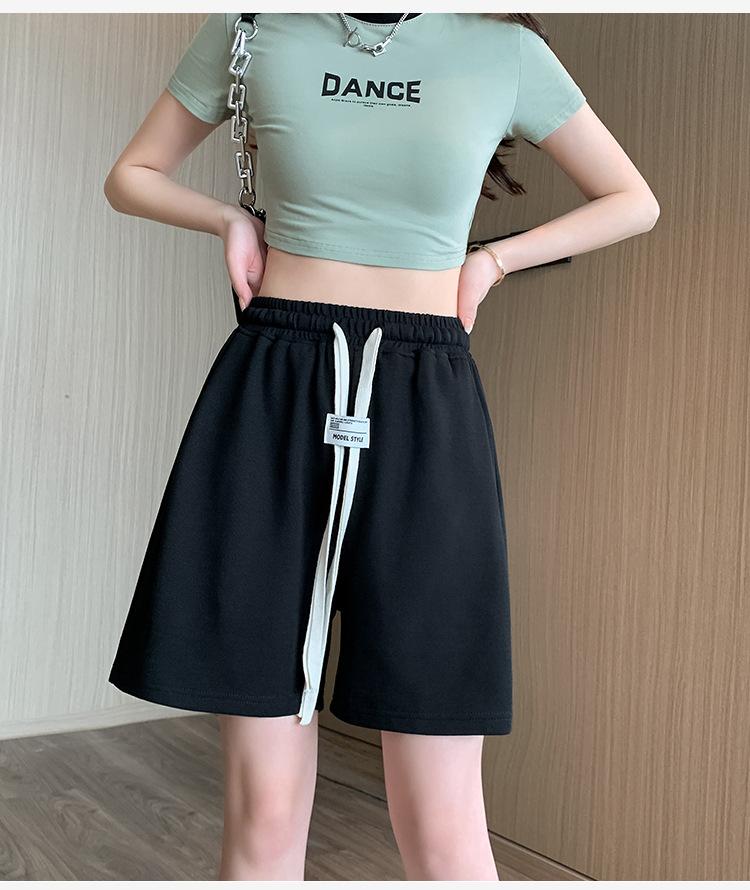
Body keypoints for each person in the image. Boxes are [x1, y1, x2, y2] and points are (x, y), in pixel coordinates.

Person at [103, 11, 659, 881]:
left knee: (443, 817)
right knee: (262, 809)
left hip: (426, 398)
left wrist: (491, 262)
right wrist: (227, 221)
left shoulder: (504, 51)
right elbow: (130, 175)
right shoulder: (254, 31)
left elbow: (633, 200)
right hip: (272, 389)